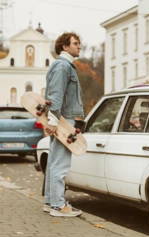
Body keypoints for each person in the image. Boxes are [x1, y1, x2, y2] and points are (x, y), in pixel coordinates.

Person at [43, 32, 85, 217]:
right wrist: (52, 121)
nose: (79, 46)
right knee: (60, 164)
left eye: (79, 43)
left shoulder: (65, 66)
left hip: (61, 118)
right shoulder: (62, 66)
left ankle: (50, 202)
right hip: (63, 119)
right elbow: (55, 95)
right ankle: (59, 206)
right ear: (65, 47)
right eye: (75, 43)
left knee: (54, 162)